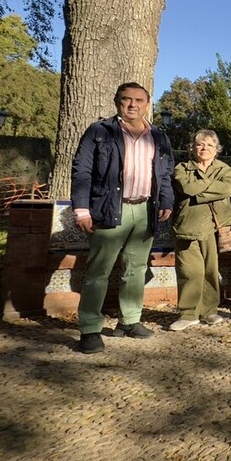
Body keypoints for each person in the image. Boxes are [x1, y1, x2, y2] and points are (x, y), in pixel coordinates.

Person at [71, 82, 174, 354]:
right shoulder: (99, 132)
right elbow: (82, 171)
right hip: (109, 208)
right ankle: (90, 329)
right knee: (98, 271)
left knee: (136, 269)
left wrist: (165, 200)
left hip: (144, 210)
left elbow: (164, 173)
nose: (133, 104)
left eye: (139, 100)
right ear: (117, 101)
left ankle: (129, 320)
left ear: (147, 103)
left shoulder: (158, 136)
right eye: (127, 99)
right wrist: (82, 209)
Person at [169, 129, 231, 331]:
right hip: (186, 226)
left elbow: (228, 188)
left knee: (210, 270)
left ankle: (209, 311)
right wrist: (210, 189)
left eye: (209, 145)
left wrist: (198, 189)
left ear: (217, 149)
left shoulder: (224, 169)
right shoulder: (182, 168)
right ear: (192, 148)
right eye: (200, 144)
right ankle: (188, 313)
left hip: (214, 227)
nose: (204, 148)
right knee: (189, 271)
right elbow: (186, 188)